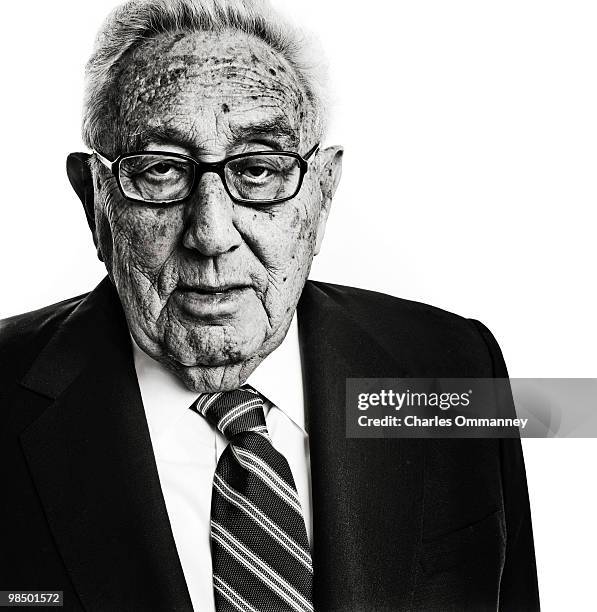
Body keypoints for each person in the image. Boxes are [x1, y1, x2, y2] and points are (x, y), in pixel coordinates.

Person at [0, 0, 539, 610]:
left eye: (258, 169)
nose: (210, 232)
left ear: (323, 195)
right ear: (93, 199)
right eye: (159, 171)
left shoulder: (458, 364)